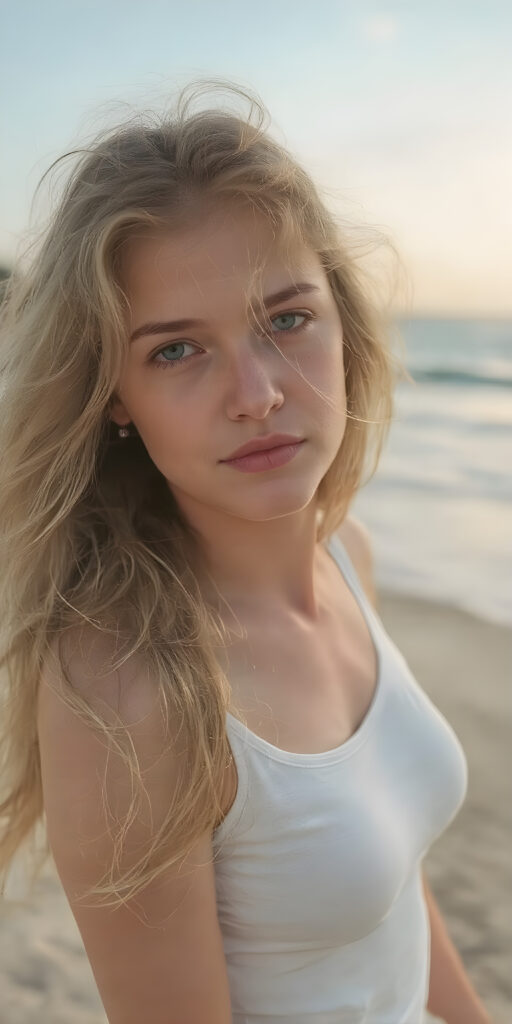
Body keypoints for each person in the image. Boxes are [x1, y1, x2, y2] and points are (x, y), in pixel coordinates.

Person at [0, 79, 491, 1024]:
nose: (259, 391)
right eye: (177, 351)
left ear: (345, 324)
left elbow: (395, 892)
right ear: (113, 396)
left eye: (288, 319)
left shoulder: (350, 556)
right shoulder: (127, 687)